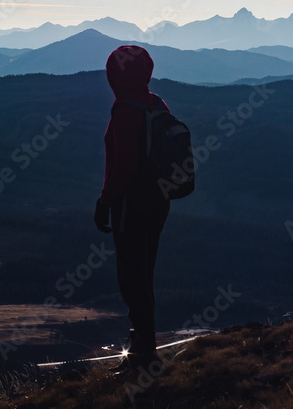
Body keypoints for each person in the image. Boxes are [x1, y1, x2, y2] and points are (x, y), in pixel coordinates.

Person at [94, 45, 171, 371]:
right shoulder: (157, 103)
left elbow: (123, 167)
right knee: (144, 272)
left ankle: (143, 353)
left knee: (131, 277)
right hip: (158, 201)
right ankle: (144, 346)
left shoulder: (125, 110)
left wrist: (104, 201)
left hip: (130, 203)